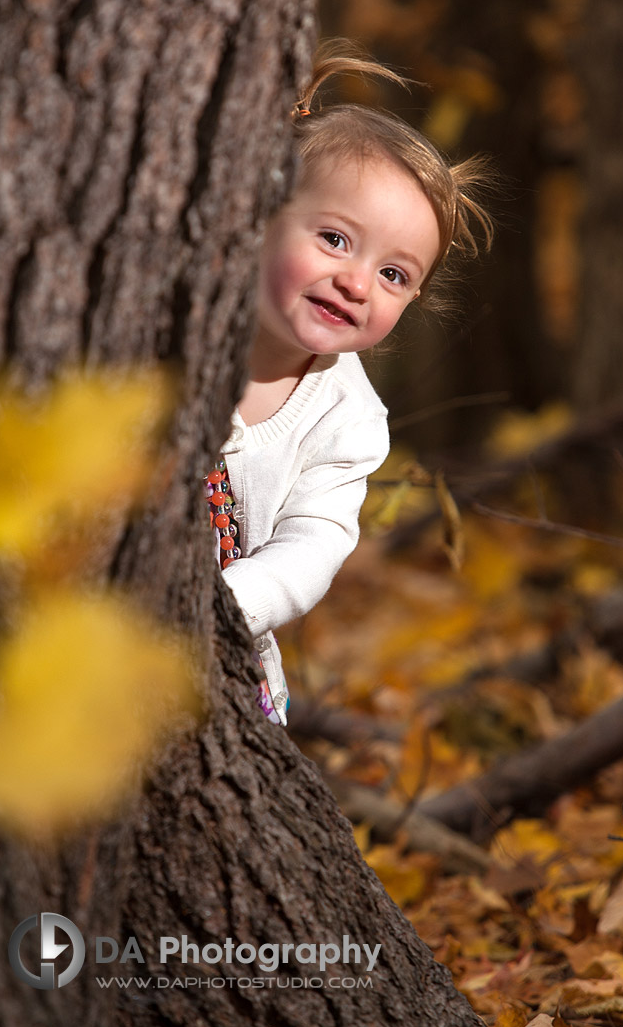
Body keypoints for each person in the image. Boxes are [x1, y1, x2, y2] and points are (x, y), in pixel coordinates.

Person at [205, 44, 493, 726]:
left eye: (394, 275)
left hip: (225, 661)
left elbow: (313, 544)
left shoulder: (348, 417)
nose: (357, 283)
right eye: (334, 238)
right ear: (259, 214)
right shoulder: (180, 327)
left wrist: (215, 608)